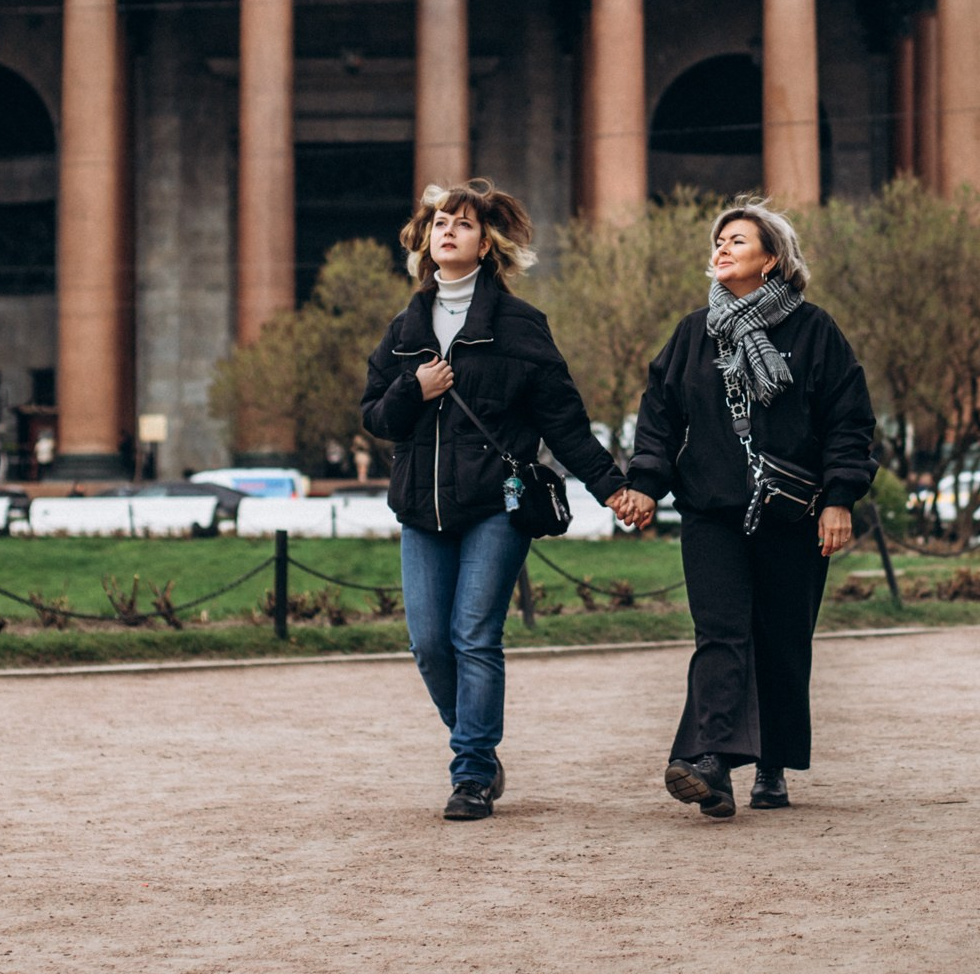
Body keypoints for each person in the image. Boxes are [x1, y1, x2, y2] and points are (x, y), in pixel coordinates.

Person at [360, 180, 641, 821]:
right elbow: (376, 416)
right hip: (421, 509)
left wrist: (614, 487)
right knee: (430, 643)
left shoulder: (519, 326)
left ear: (485, 244)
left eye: (460, 225)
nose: (447, 232)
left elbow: (564, 422)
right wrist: (415, 388)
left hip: (497, 503)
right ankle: (478, 748)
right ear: (427, 244)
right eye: (438, 225)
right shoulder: (405, 328)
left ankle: (472, 773)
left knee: (473, 635)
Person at [612, 197, 877, 818]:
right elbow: (658, 419)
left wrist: (840, 499)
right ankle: (713, 766)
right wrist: (645, 482)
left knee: (782, 638)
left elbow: (849, 423)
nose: (722, 248)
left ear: (773, 259)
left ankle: (773, 766)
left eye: (738, 240)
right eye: (720, 240)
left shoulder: (815, 332)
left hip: (794, 512)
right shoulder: (691, 333)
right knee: (721, 635)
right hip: (712, 510)